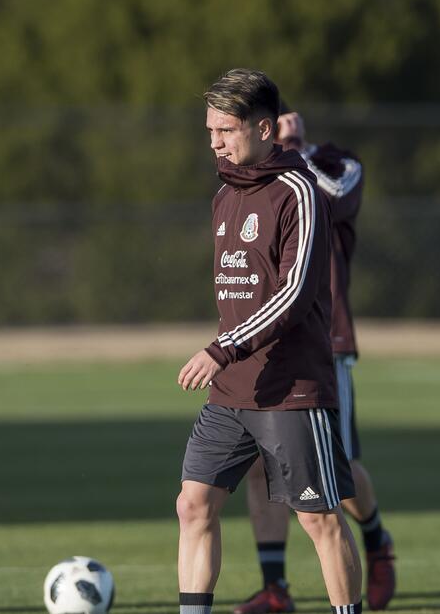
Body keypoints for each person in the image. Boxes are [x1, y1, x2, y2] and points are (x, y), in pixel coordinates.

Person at [175, 68, 363, 614]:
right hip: (233, 388)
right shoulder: (223, 196)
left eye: (226, 129)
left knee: (320, 519)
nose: (215, 141)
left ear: (263, 128)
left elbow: (297, 293)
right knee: (193, 504)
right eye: (209, 129)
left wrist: (220, 348)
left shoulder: (300, 192)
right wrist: (227, 355)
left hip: (291, 388)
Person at [233, 107, 394, 614]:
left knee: (335, 471)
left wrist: (293, 154)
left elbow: (336, 198)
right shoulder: (249, 180)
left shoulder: (336, 164)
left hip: (326, 342)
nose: (284, 121)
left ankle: (375, 537)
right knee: (261, 468)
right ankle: (275, 586)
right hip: (264, 345)